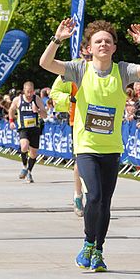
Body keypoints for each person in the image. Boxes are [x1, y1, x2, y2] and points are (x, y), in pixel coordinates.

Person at [40, 17, 140, 272]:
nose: (103, 44)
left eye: (108, 41)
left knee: (105, 202)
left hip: (112, 147)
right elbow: (46, 63)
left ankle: (98, 250)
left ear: (114, 47)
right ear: (89, 47)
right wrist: (57, 39)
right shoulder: (79, 69)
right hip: (86, 146)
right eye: (98, 41)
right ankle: (87, 243)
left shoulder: (123, 71)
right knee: (93, 196)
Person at [50, 40, 92, 217]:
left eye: (91, 55)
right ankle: (78, 195)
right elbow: (55, 93)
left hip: (103, 121)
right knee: (81, 159)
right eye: (85, 55)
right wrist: (71, 100)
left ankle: (95, 196)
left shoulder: (108, 67)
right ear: (81, 52)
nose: (88, 58)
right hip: (79, 120)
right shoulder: (72, 68)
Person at [8, 81, 47, 183]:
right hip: (23, 128)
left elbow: (45, 115)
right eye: (27, 92)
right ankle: (24, 167)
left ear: (34, 91)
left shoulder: (36, 99)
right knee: (24, 146)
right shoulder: (18, 100)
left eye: (31, 92)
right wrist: (11, 121)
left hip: (35, 129)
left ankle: (29, 172)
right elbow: (11, 110)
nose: (29, 94)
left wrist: (37, 110)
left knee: (33, 154)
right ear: (24, 91)